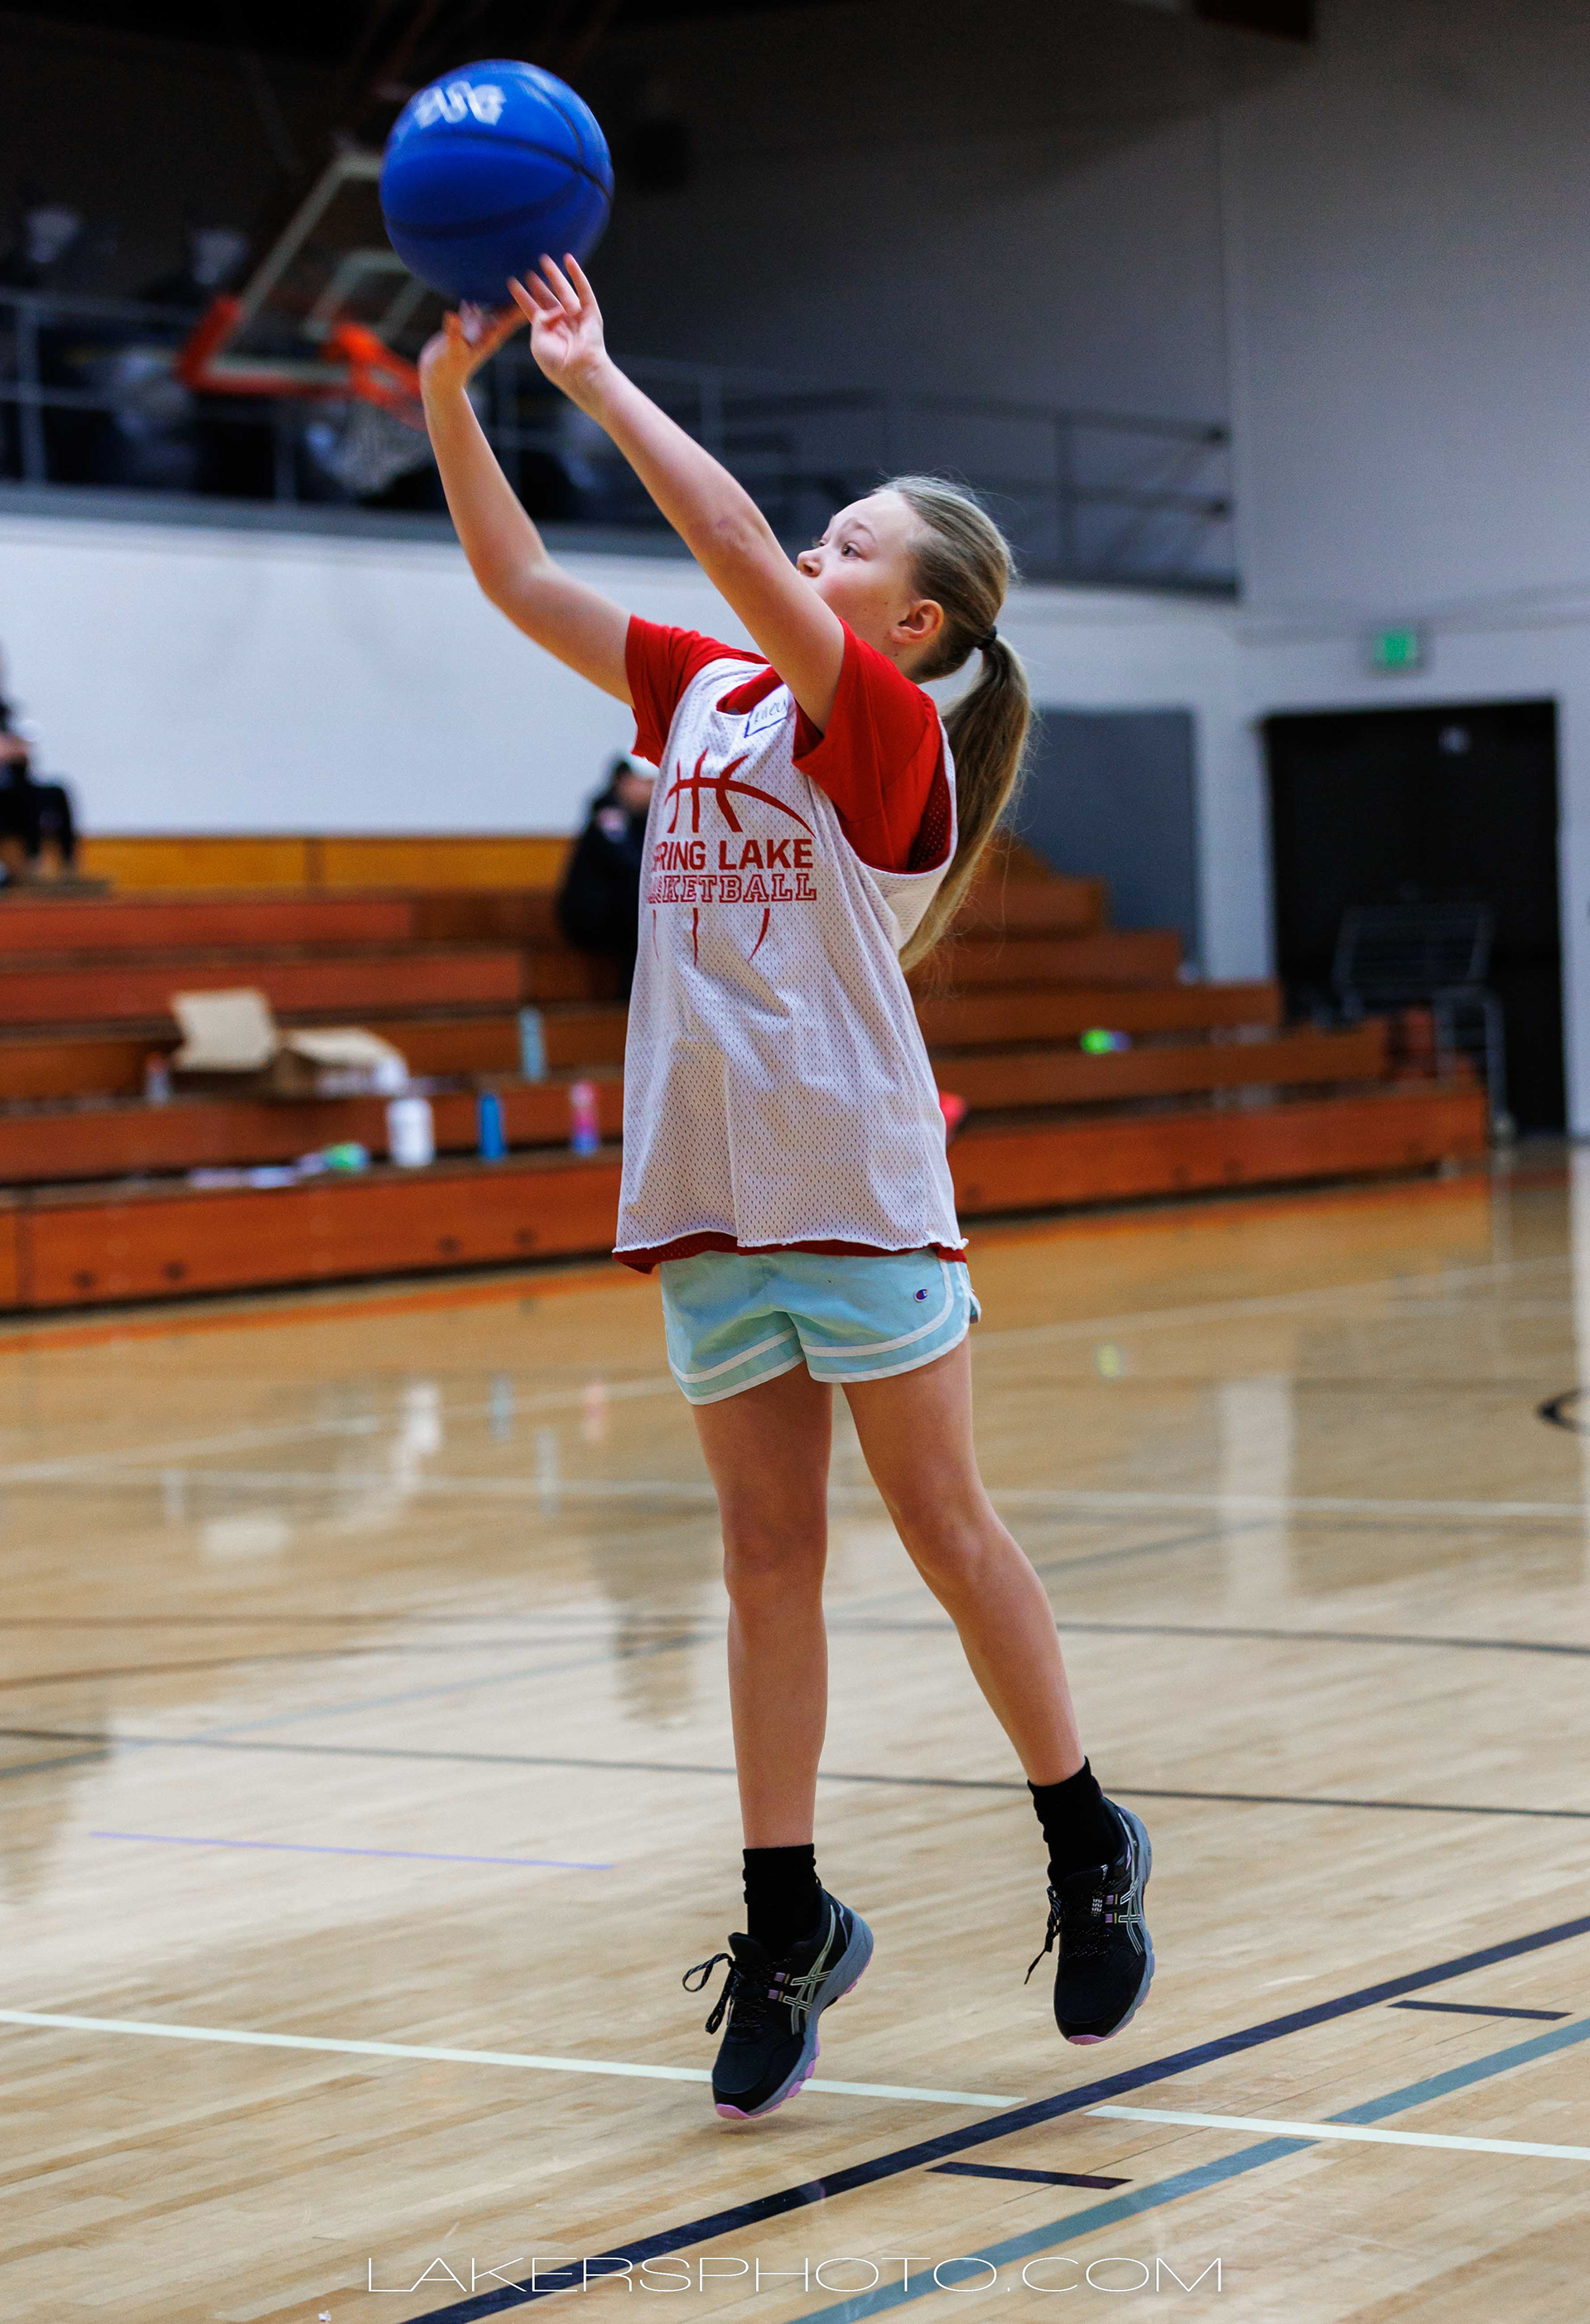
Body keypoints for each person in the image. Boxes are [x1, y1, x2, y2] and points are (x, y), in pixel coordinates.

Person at [418, 258, 1154, 2124]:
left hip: (854, 1187)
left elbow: (736, 539)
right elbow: (520, 583)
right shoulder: (708, 691)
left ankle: (1085, 1837)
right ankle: (788, 1919)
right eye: (828, 531)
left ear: (912, 623)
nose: (815, 548)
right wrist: (445, 397)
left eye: (854, 544)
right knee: (763, 1562)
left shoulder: (885, 731)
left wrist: (594, 380)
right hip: (705, 1189)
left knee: (947, 1529)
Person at [555, 751, 657, 996]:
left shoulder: (645, 818)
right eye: (645, 782)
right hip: (592, 915)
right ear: (623, 781)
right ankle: (630, 999)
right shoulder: (608, 816)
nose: (652, 790)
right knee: (641, 911)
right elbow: (628, 864)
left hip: (619, 912)